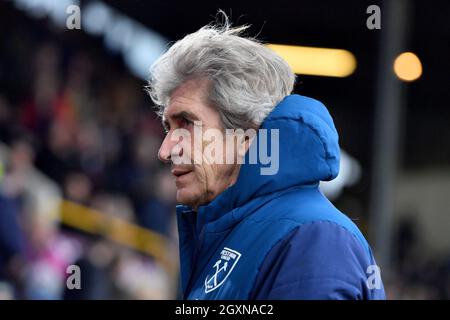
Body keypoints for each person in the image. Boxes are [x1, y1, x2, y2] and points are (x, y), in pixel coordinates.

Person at [147, 15, 385, 300]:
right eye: (167, 128)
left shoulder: (314, 237)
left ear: (245, 137)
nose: (165, 150)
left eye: (187, 122)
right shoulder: (237, 231)